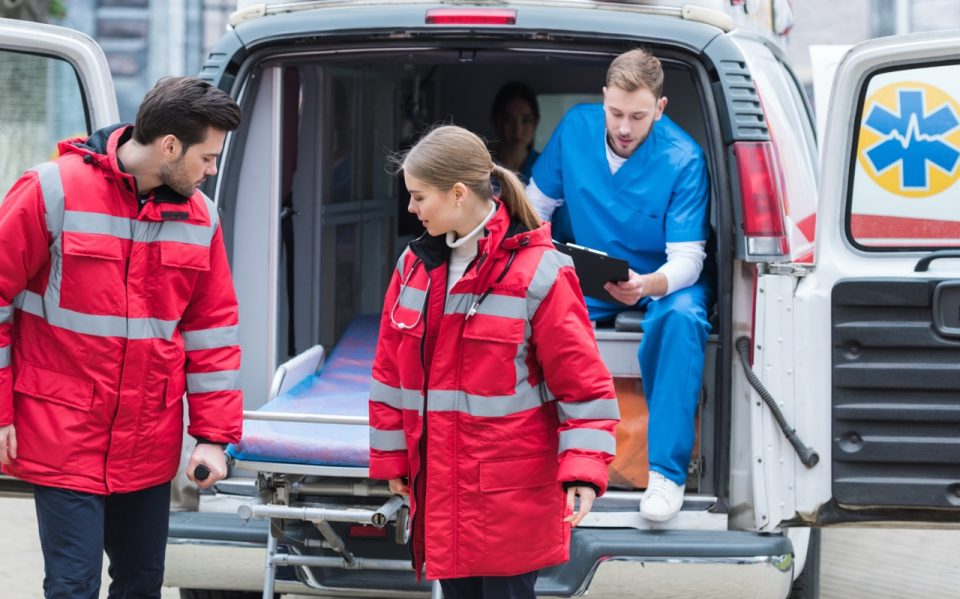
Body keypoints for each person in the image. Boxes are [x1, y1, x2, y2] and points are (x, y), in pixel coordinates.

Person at [0, 76, 244, 598]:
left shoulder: (202, 218)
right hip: (64, 431)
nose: (212, 170)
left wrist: (213, 437)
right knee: (73, 585)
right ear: (170, 146)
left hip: (147, 440)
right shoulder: (52, 189)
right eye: (207, 157)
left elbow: (212, 333)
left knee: (142, 583)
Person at [368, 125, 619, 598]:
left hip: (510, 500)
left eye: (419, 197)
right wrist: (394, 457)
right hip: (442, 493)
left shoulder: (541, 272)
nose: (411, 209)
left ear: (458, 194)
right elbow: (388, 375)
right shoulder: (414, 266)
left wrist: (585, 467)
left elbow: (582, 385)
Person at [527, 48, 713, 522]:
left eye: (638, 116)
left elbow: (688, 258)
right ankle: (531, 461)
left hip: (661, 280)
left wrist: (648, 284)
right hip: (588, 275)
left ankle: (666, 475)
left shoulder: (684, 158)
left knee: (682, 316)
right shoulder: (575, 129)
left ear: (661, 108)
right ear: (603, 98)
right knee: (524, 313)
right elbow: (535, 210)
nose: (625, 128)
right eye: (616, 113)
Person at [489, 81, 541, 182]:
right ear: (495, 121)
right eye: (507, 120)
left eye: (526, 121)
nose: (518, 130)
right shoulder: (482, 168)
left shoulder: (545, 167)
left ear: (535, 122)